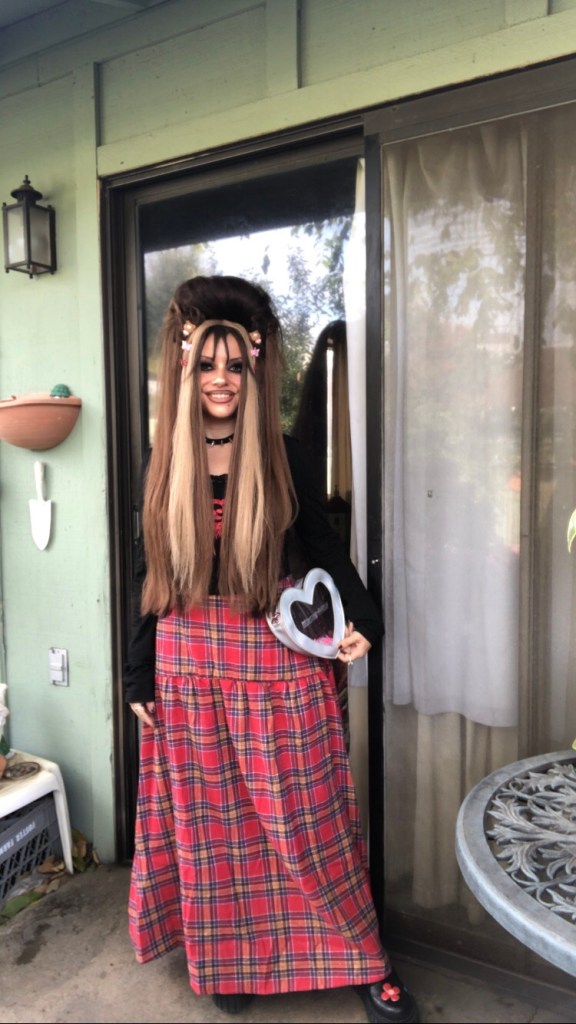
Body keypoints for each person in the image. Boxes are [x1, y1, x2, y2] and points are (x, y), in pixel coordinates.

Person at [124, 274, 419, 1024]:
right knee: (216, 828)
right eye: (206, 364)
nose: (221, 380)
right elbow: (147, 574)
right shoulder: (163, 461)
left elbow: (324, 547)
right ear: (186, 368)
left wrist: (366, 617)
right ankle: (230, 959)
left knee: (310, 819)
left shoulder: (286, 455)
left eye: (235, 364)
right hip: (188, 665)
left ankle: (364, 957)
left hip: (276, 657)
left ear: (254, 368)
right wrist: (137, 674)